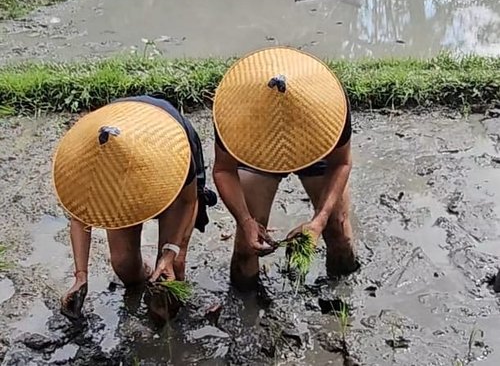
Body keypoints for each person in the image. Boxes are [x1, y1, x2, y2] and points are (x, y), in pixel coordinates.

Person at [53, 95, 216, 320]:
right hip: (120, 137)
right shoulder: (84, 164)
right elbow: (80, 217)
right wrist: (81, 275)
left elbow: (188, 201)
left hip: (163, 158)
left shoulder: (174, 152)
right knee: (123, 266)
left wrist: (169, 254)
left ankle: (169, 317)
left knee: (172, 272)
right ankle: (146, 276)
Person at [212, 46, 359, 290]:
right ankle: (247, 305)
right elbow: (223, 170)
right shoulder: (234, 111)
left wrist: (319, 221)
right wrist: (245, 220)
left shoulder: (329, 105)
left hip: (315, 144)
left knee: (338, 231)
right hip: (258, 148)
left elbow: (341, 162)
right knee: (248, 246)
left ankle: (344, 291)